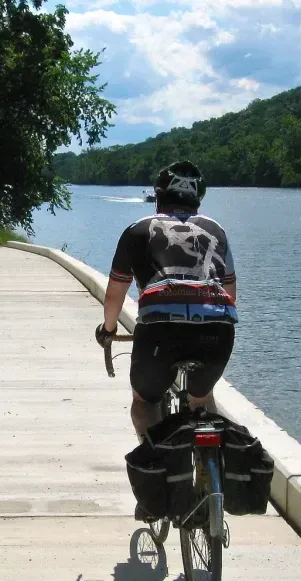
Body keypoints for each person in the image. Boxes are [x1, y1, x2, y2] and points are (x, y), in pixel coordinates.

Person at [94, 161, 238, 438]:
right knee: (202, 400)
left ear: (158, 198)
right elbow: (230, 296)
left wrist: (108, 330)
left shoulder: (137, 230)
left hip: (160, 331)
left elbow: (114, 295)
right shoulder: (217, 231)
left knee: (145, 403)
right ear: (198, 201)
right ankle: (215, 469)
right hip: (217, 331)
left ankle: (158, 468)